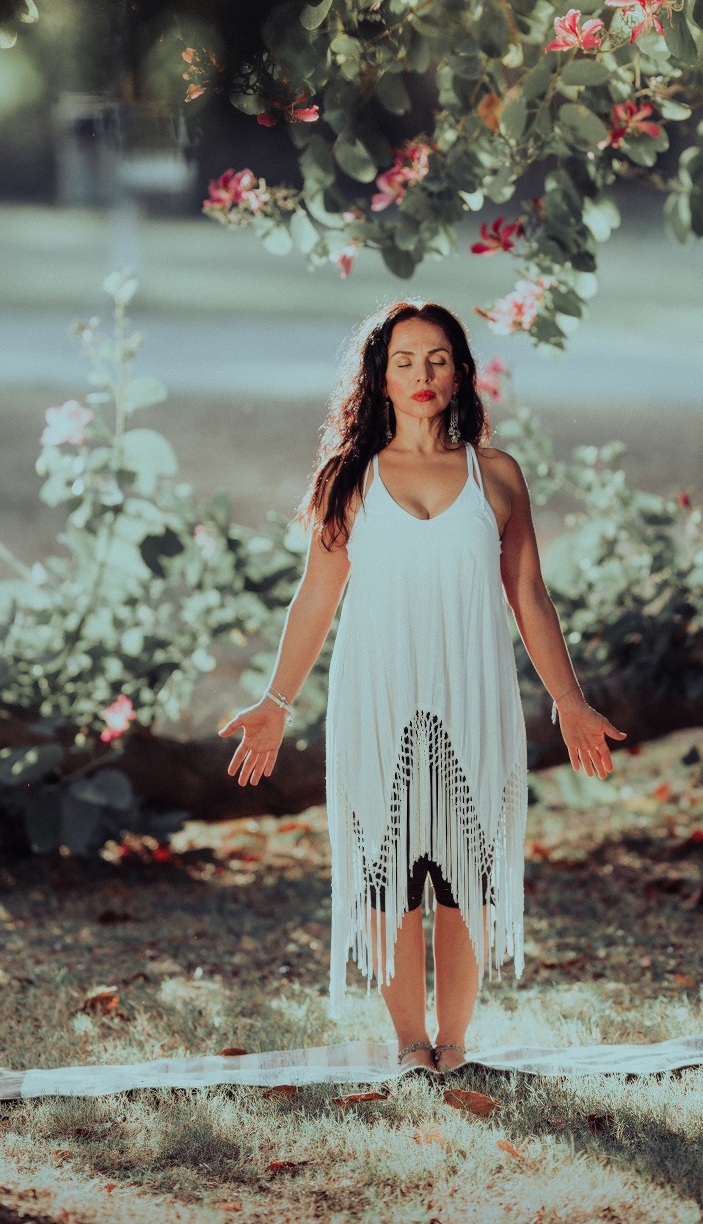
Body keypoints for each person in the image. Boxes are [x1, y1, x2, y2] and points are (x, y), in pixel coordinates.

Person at [218, 301, 625, 1075]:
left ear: (460, 372)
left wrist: (568, 701)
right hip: (377, 693)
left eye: (436, 359)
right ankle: (410, 1045)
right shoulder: (349, 477)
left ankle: (456, 1046)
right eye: (404, 361)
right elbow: (316, 595)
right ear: (377, 378)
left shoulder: (495, 475)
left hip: (472, 689)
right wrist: (275, 703)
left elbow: (529, 594)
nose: (421, 375)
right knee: (390, 868)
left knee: (463, 870)